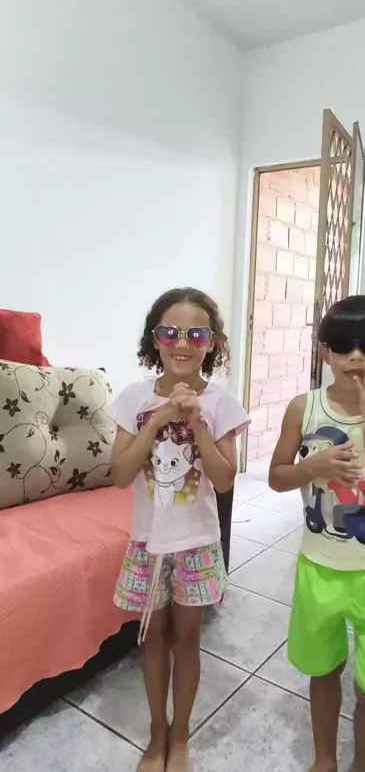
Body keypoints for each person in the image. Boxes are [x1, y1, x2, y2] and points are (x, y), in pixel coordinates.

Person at [269, 295, 365, 772]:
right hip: (319, 567)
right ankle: (325, 760)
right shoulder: (303, 407)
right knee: (323, 670)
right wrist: (311, 466)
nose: (356, 356)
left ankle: (362, 767)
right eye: (342, 345)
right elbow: (276, 477)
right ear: (324, 352)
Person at [109, 287, 249, 772]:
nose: (183, 343)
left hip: (198, 544)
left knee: (187, 641)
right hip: (148, 545)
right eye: (170, 332)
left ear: (212, 342)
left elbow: (225, 479)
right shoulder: (134, 398)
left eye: (197, 334)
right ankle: (157, 734)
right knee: (153, 640)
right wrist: (159, 420)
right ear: (156, 340)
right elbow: (121, 474)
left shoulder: (222, 401)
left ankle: (181, 736)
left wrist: (198, 425)